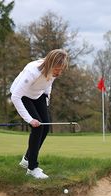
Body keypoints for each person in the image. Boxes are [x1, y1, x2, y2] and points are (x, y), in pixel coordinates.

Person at [10, 49, 69, 179]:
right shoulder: (32, 71)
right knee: (37, 128)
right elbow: (15, 97)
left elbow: (48, 85)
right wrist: (30, 120)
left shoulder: (53, 72)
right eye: (57, 69)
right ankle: (32, 168)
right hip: (23, 95)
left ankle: (26, 159)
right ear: (50, 63)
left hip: (39, 95)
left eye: (61, 70)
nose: (58, 73)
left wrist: (46, 101)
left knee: (45, 127)